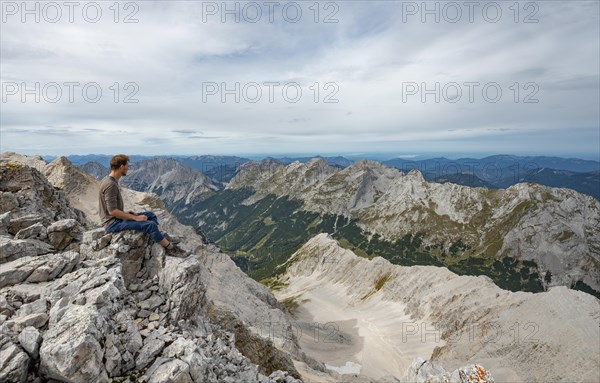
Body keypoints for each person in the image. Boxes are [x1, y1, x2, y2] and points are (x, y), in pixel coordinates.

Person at [98, 154, 186, 257]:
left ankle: (161, 235)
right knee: (151, 225)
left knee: (150, 215)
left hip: (115, 219)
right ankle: (171, 248)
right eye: (127, 166)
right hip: (112, 224)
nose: (128, 168)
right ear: (121, 166)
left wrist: (126, 213)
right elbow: (112, 211)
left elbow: (112, 209)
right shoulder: (110, 185)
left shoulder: (109, 180)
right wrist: (135, 218)